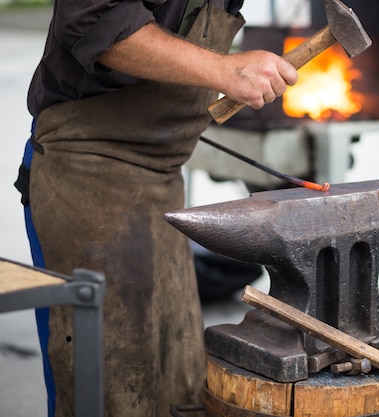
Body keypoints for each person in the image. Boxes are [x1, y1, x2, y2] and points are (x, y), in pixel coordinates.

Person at [13, 1, 297, 416]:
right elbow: (94, 18)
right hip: (86, 173)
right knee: (103, 393)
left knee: (175, 383)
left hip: (163, 180)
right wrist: (224, 70)